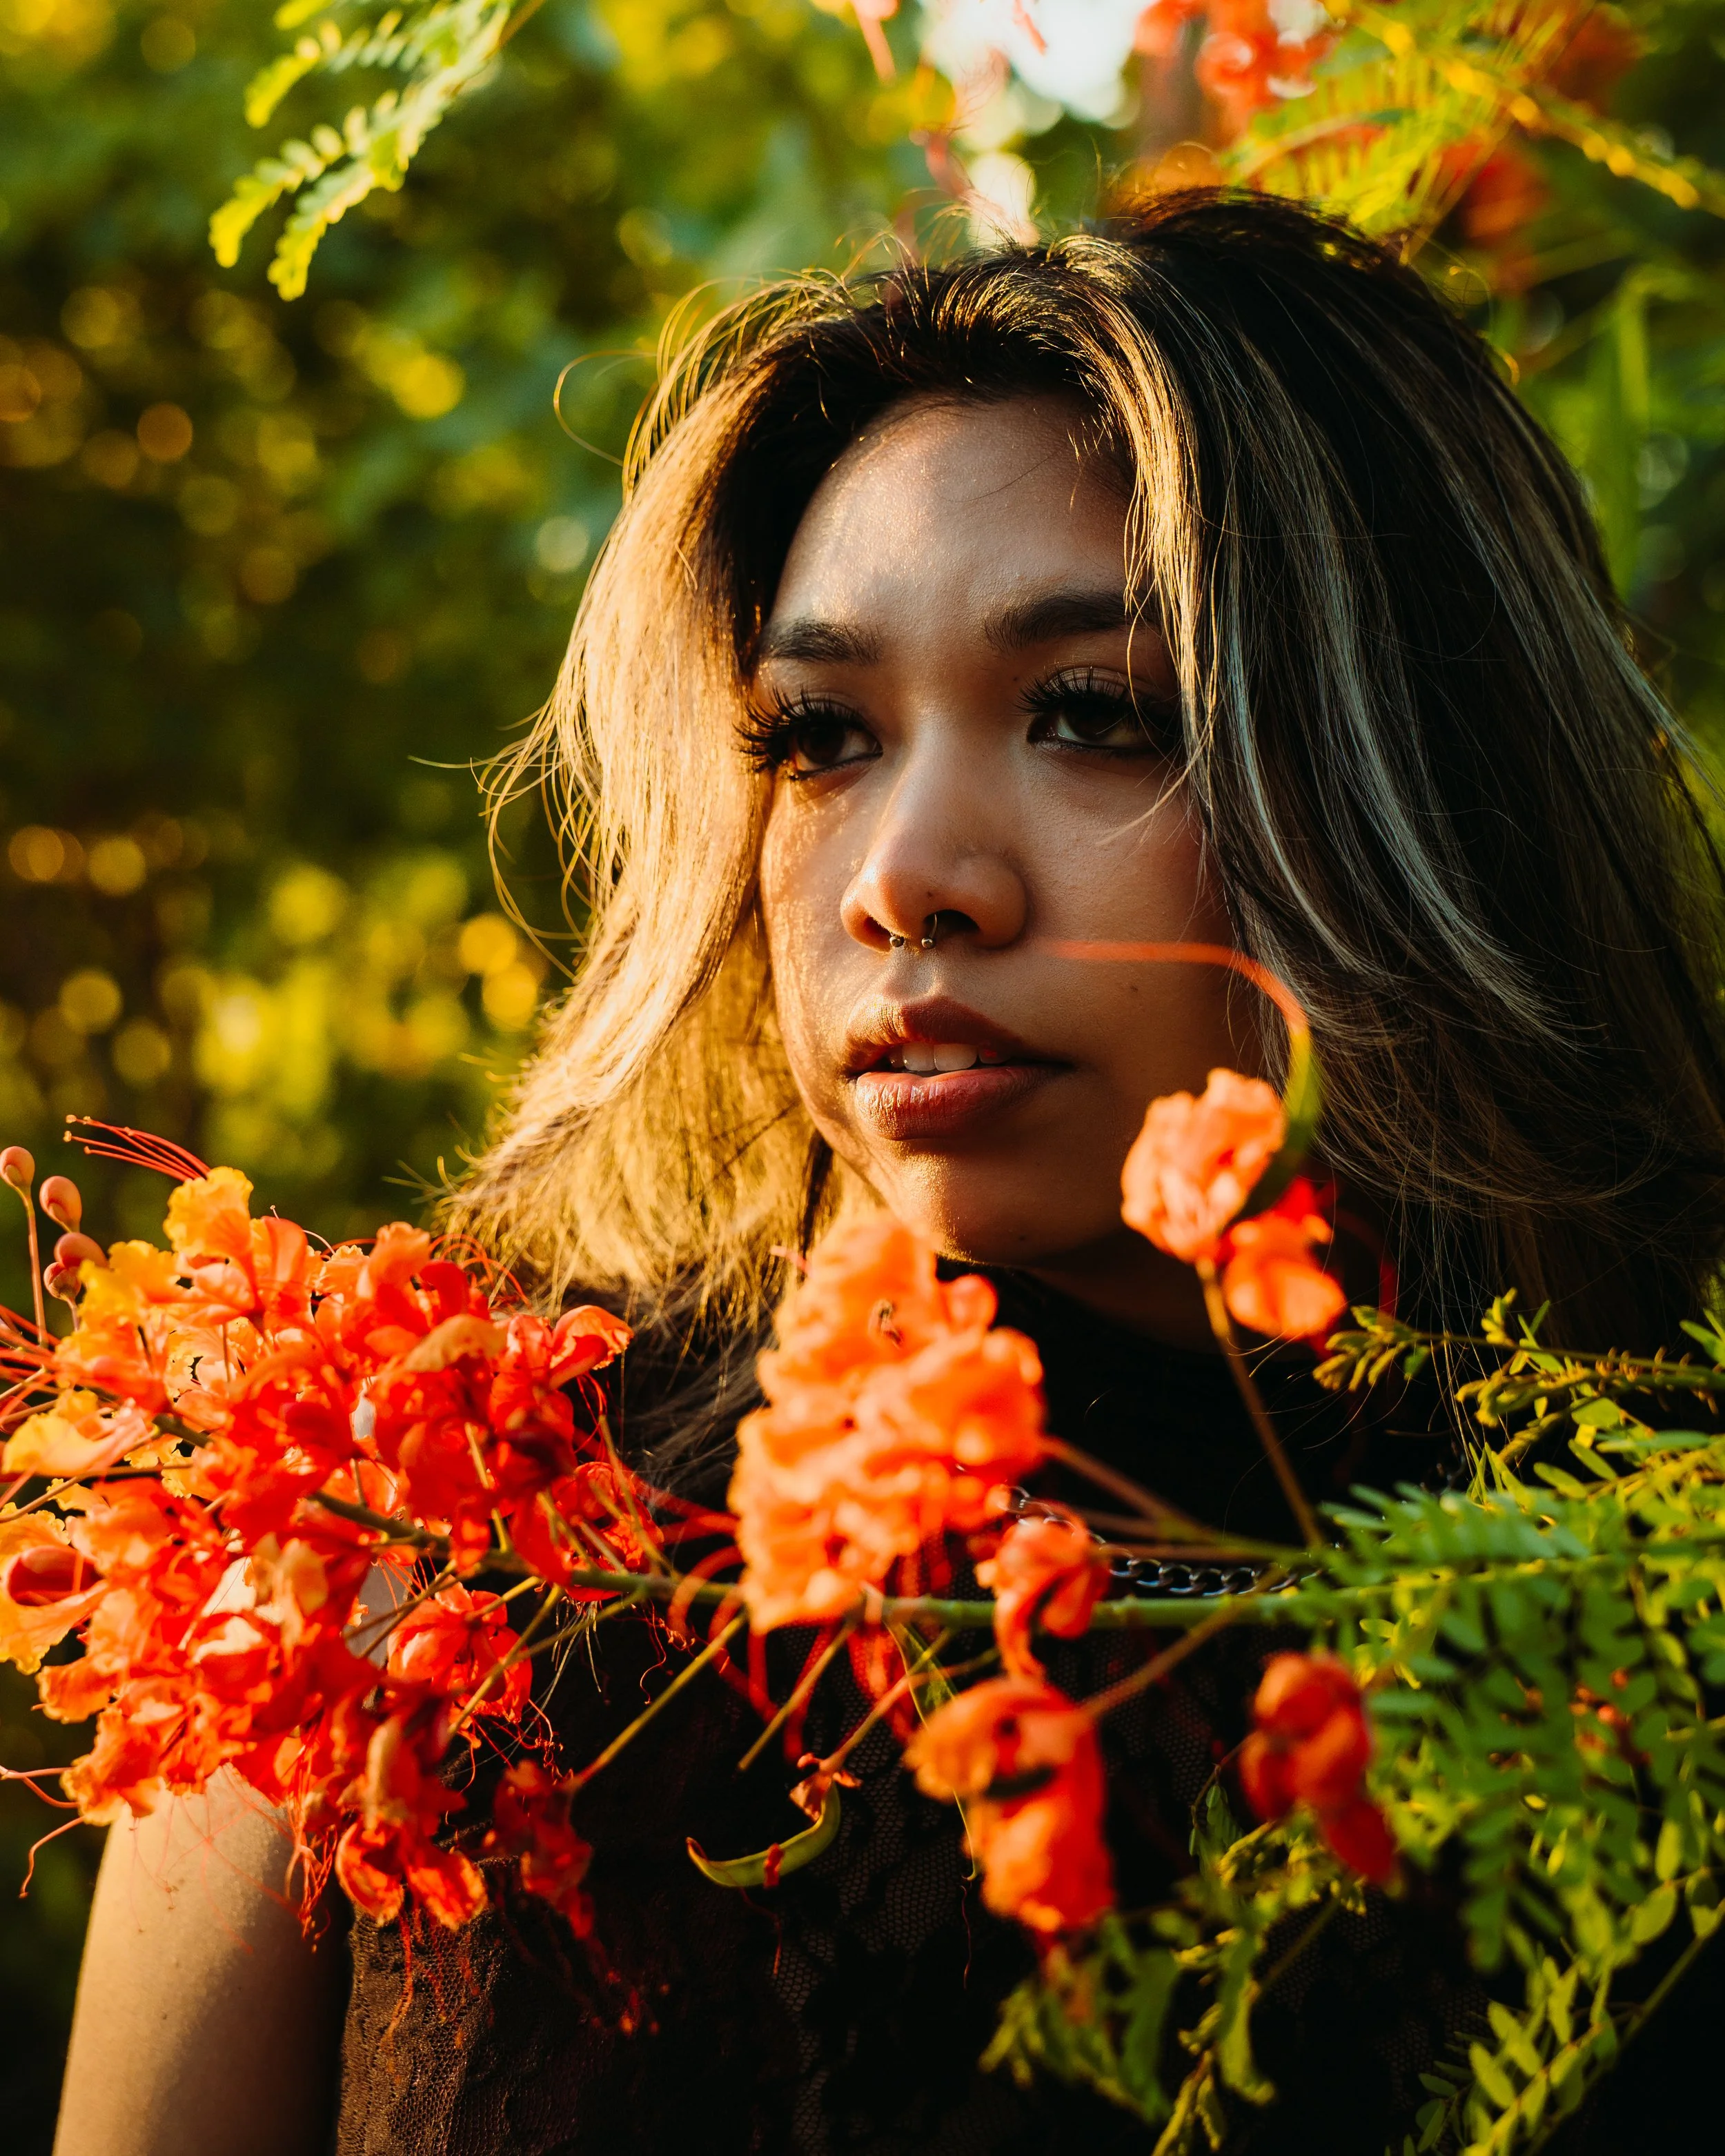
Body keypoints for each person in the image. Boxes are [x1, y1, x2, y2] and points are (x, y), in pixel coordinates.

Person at [52, 190, 1725, 2156]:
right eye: (821, 734)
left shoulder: (1655, 1591)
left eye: (1095, 712)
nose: (901, 875)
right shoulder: (414, 1543)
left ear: (1412, 773)